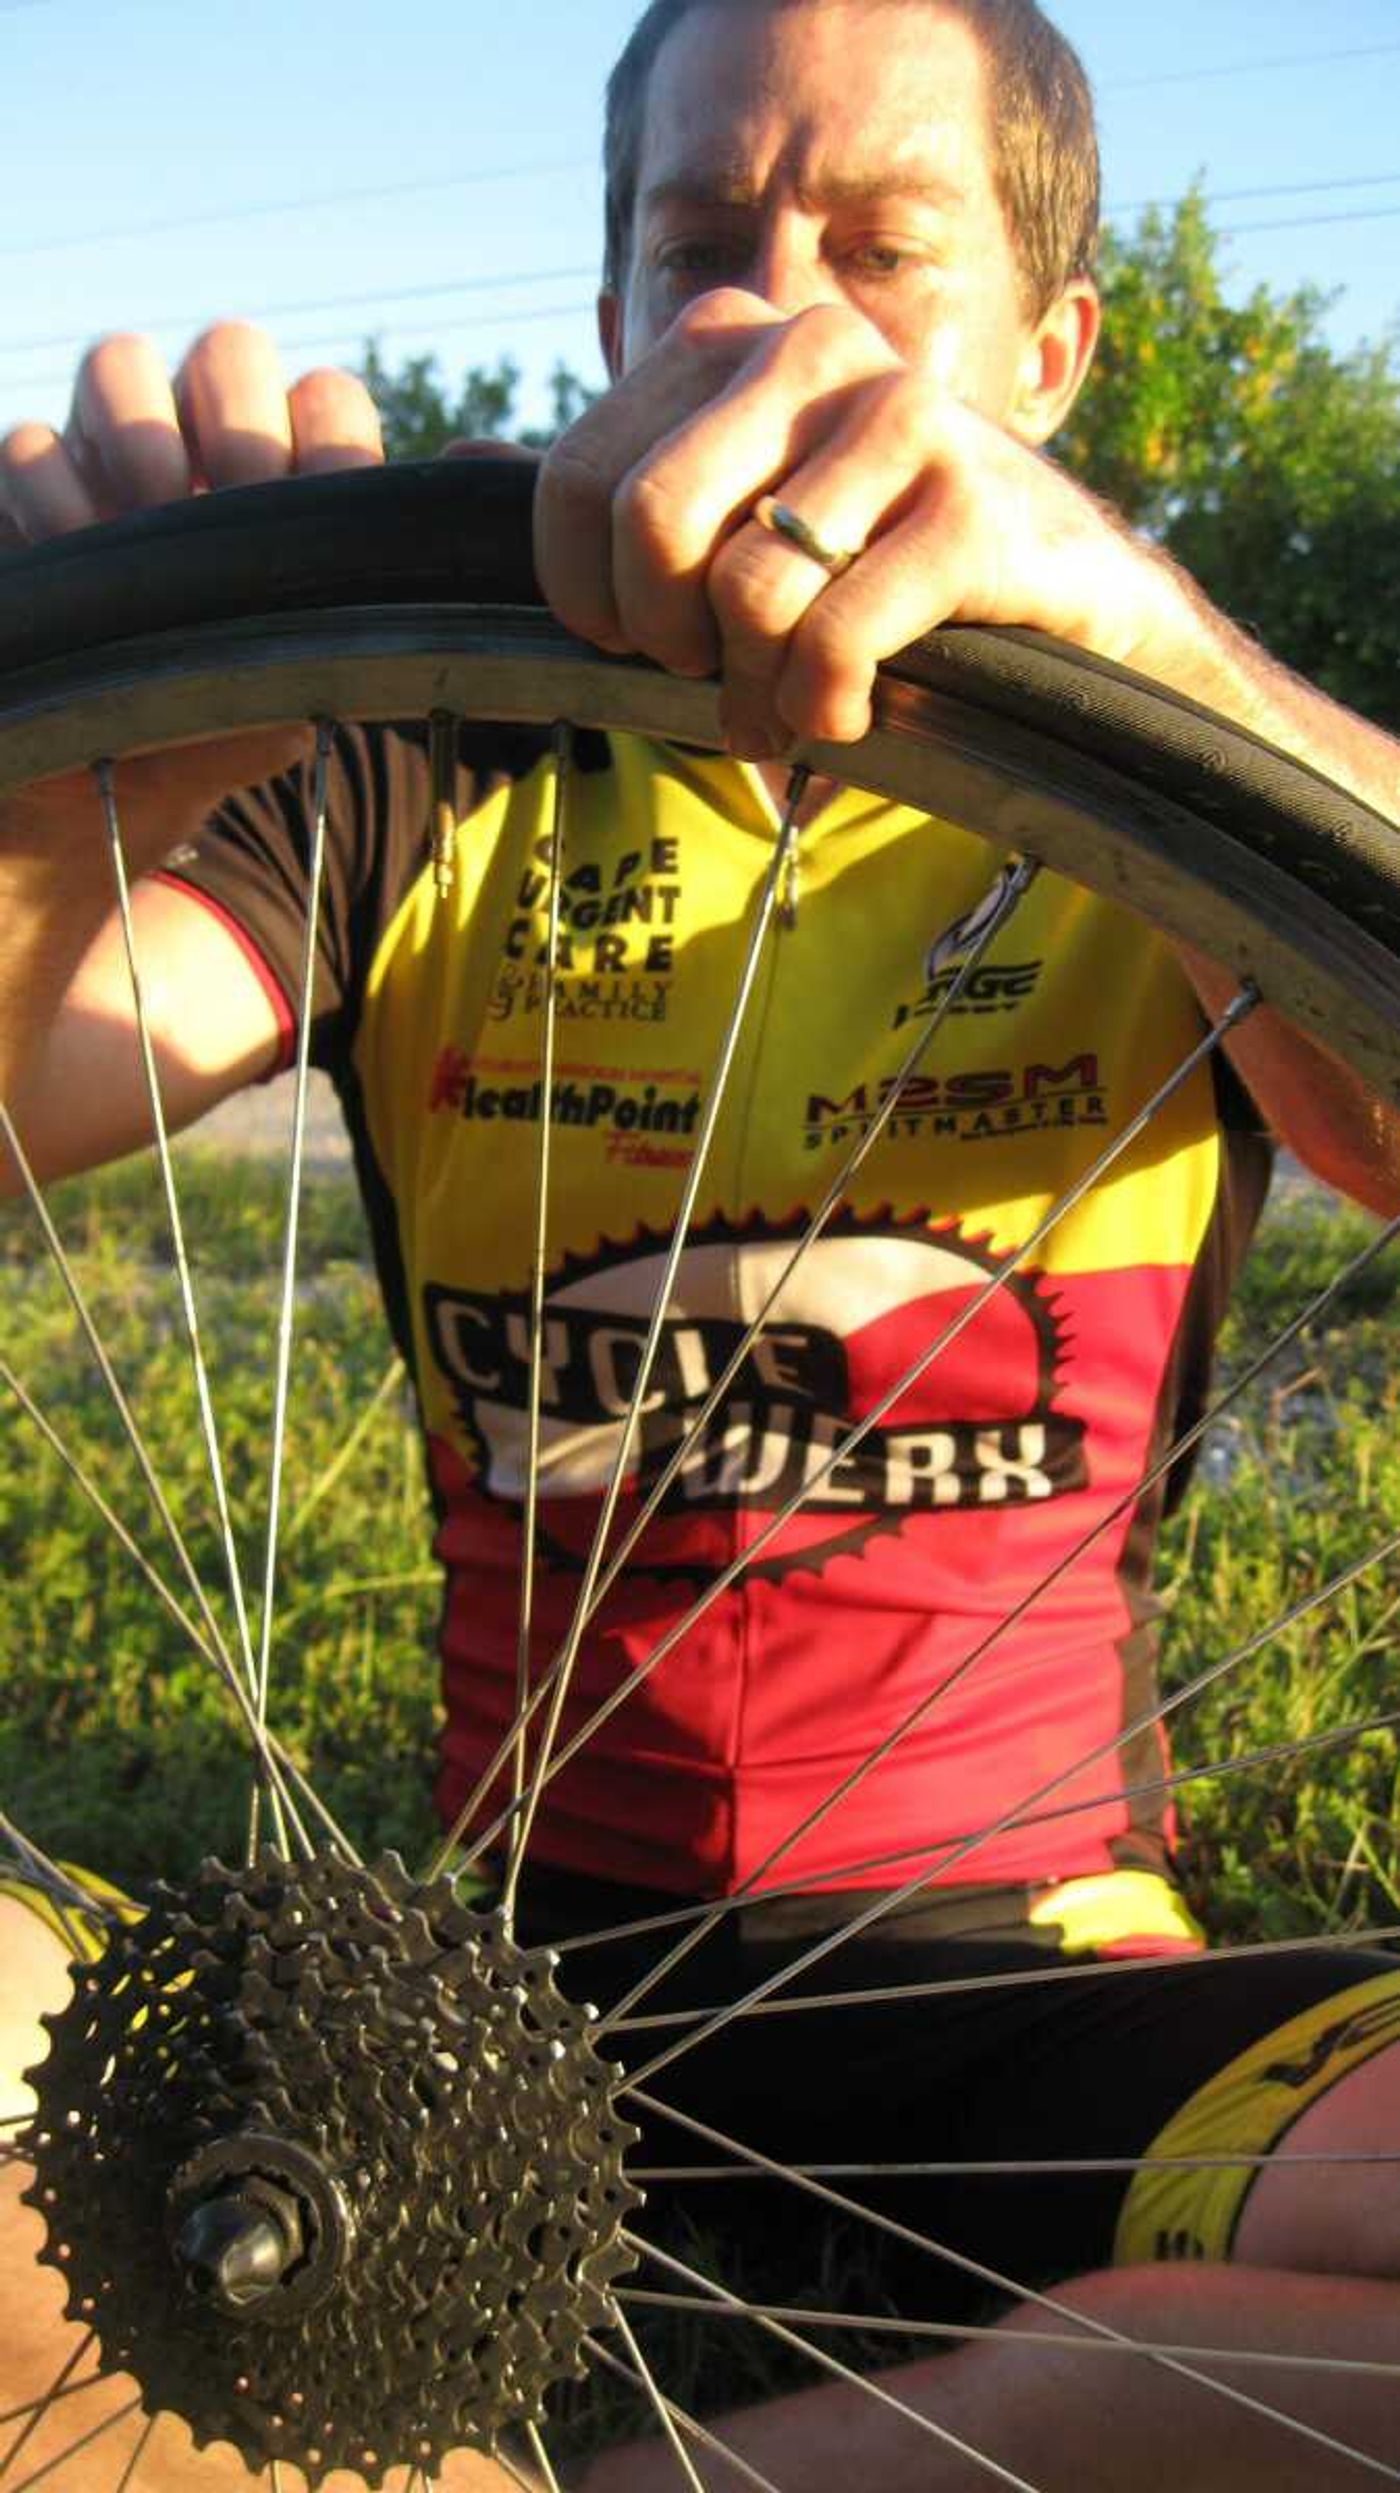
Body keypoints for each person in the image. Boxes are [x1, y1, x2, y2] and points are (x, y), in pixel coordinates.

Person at [3, 1, 1400, 2487]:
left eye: (884, 245)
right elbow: (35, 1074)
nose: (774, 313)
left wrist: (1159, 656)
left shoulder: (1166, 806)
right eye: (695, 244)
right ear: (616, 312)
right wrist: (132, 740)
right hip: (475, 1986)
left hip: (1030, 1972)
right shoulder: (424, 742)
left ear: (1052, 352)